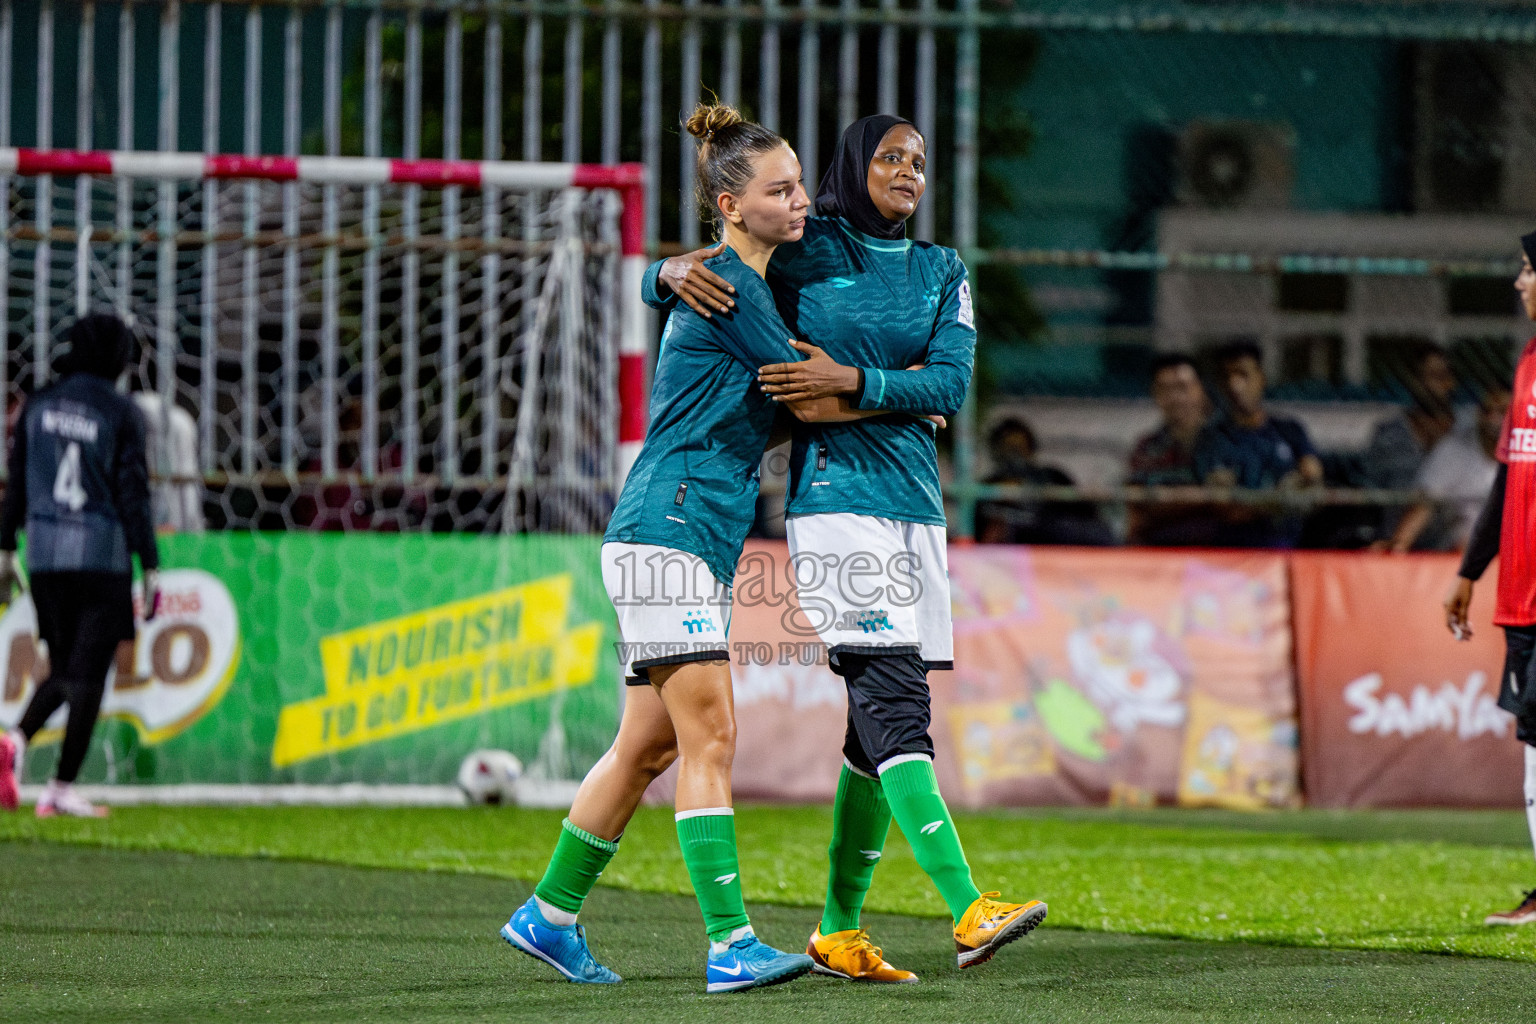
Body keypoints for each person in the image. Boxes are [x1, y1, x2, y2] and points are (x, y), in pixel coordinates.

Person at [503, 105, 917, 994]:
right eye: (780, 189)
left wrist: (662, 273)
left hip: (676, 531)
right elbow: (808, 399)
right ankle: (730, 942)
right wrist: (912, 400)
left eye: (802, 182)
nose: (802, 200)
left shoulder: (730, 277)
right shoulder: (733, 289)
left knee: (646, 747)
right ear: (730, 204)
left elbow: (688, 293)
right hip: (672, 528)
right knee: (713, 734)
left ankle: (548, 915)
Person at [649, 114, 1047, 980]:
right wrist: (659, 272)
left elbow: (953, 383)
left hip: (917, 509)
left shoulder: (945, 269)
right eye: (890, 157)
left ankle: (836, 931)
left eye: (920, 161)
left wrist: (854, 379)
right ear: (851, 167)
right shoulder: (807, 243)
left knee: (876, 736)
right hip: (834, 503)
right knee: (894, 697)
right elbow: (717, 269)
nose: (909, 172)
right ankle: (969, 908)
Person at [0, 314, 160, 818]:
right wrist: (150, 562)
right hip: (101, 554)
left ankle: (14, 745)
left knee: (67, 667)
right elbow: (133, 493)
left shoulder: (38, 405)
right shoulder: (120, 411)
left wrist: (5, 550)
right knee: (88, 673)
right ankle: (60, 787)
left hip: (45, 555)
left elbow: (17, 485)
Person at [1444, 232, 1536, 928]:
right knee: (1534, 739)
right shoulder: (1529, 364)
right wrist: (1471, 571)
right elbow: (1509, 477)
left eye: (1528, 271)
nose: (1519, 283)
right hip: (1521, 592)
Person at [1194, 340, 1323, 548]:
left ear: (1261, 378)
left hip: (1286, 549)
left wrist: (1249, 499)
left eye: (1243, 375)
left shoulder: (1289, 430)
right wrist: (1279, 500)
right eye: (1227, 377)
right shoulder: (1212, 438)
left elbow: (1312, 479)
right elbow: (1225, 507)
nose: (1235, 385)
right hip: (1232, 554)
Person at [1384, 387, 1507, 553]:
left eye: (1503, 412)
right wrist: (1398, 546)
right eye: (1486, 411)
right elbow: (1423, 505)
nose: (1493, 418)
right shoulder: (1453, 449)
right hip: (1462, 549)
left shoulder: (1529, 453)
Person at [1125, 352, 1219, 546]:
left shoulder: (1226, 440)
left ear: (1200, 389)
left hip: (1221, 547)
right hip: (1162, 546)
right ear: (1155, 394)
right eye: (1166, 389)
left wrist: (1166, 500)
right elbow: (1137, 504)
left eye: (1183, 388)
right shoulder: (1147, 447)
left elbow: (1232, 504)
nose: (1176, 398)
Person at [976, 414, 1113, 546]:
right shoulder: (985, 488)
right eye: (1007, 449)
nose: (1014, 456)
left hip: (1050, 549)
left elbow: (1086, 519)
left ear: (1030, 449)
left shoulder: (1052, 477)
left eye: (1018, 448)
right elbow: (976, 532)